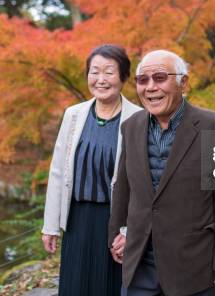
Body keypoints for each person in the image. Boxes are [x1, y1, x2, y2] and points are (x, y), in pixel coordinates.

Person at [108, 50, 215, 296]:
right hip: (140, 263)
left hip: (192, 264)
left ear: (184, 83)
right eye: (142, 80)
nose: (150, 87)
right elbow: (124, 187)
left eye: (160, 78)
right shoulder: (131, 127)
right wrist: (117, 232)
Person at [42, 44, 142, 296]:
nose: (100, 79)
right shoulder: (74, 115)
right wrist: (51, 225)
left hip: (115, 222)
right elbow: (58, 172)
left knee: (108, 287)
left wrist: (130, 230)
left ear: (123, 76)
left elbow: (144, 185)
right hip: (77, 220)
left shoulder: (139, 119)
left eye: (109, 72)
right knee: (74, 286)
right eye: (94, 71)